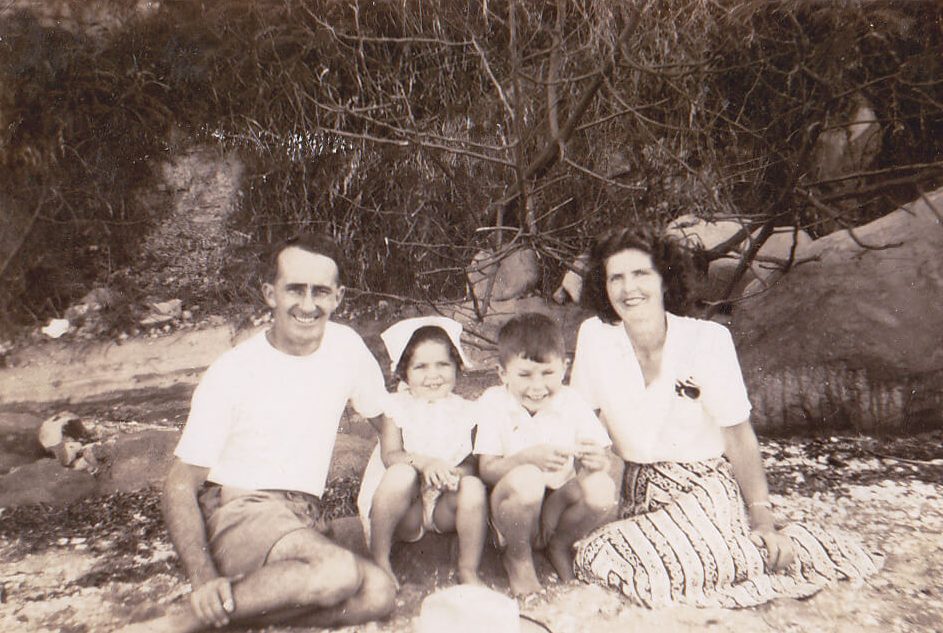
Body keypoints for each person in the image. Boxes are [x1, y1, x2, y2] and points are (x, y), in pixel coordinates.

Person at [570, 226, 883, 608]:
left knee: (639, 562)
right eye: (615, 277)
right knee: (600, 555)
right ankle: (731, 553)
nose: (628, 288)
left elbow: (738, 436)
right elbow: (582, 420)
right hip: (637, 492)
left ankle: (775, 548)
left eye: (640, 274)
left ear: (664, 280)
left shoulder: (707, 341)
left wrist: (762, 517)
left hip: (703, 485)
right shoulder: (595, 336)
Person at [118, 234, 396, 633]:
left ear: (338, 297)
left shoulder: (347, 347)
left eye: (320, 291)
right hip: (241, 511)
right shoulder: (235, 370)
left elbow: (385, 416)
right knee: (336, 572)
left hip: (301, 517)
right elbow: (180, 482)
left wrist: (407, 462)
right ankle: (181, 622)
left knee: (378, 594)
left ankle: (226, 620)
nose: (307, 304)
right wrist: (203, 578)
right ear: (270, 293)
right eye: (294, 289)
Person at [474, 312, 617, 596]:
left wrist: (597, 461)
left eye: (548, 373)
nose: (537, 386)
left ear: (564, 368)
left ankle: (559, 544)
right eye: (524, 375)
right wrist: (526, 458)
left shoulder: (572, 401)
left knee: (603, 488)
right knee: (527, 478)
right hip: (511, 507)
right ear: (502, 373)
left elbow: (603, 455)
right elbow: (486, 469)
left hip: (556, 504)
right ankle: (517, 556)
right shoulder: (494, 402)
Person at [356, 316, 488, 586]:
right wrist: (426, 464)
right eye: (421, 367)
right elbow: (390, 455)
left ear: (457, 366)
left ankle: (468, 569)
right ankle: (380, 559)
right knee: (400, 473)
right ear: (404, 372)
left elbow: (472, 462)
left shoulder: (467, 411)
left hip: (444, 506)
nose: (433, 375)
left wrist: (453, 474)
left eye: (443, 364)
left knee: (473, 485)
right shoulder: (397, 407)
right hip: (408, 507)